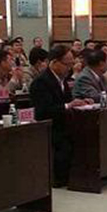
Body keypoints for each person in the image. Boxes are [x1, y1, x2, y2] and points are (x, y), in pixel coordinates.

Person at [29, 45, 90, 187]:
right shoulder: (41, 82)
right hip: (50, 127)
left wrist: (81, 102)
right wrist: (68, 106)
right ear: (54, 62)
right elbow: (43, 111)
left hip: (64, 123)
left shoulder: (62, 80)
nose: (69, 68)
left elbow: (68, 101)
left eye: (71, 64)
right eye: (66, 64)